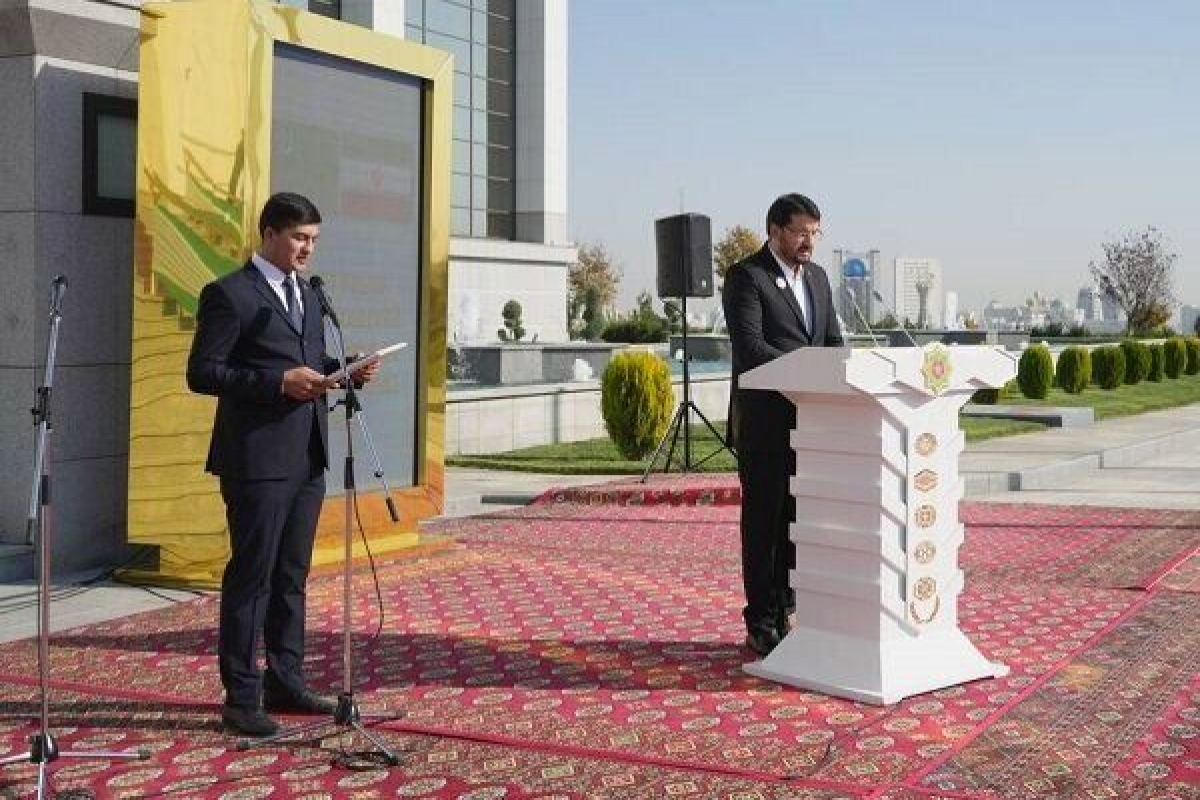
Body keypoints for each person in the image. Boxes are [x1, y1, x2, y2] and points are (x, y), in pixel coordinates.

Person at [187, 192, 379, 736]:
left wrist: (346, 369)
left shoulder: (310, 294)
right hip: (256, 459)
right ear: (269, 233)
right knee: (253, 577)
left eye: (314, 240)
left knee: (292, 576)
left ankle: (285, 680)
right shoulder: (230, 294)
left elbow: (310, 361)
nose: (307, 250)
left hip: (307, 455)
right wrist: (276, 383)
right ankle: (241, 699)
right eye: (299, 238)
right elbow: (203, 372)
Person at [721, 193, 844, 657]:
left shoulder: (818, 278)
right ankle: (761, 621)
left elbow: (831, 342)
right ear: (774, 231)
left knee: (797, 523)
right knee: (764, 524)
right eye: (800, 232)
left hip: (811, 426)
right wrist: (809, 374)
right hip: (766, 425)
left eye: (815, 233)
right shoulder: (746, 277)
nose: (808, 241)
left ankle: (788, 611)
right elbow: (752, 348)